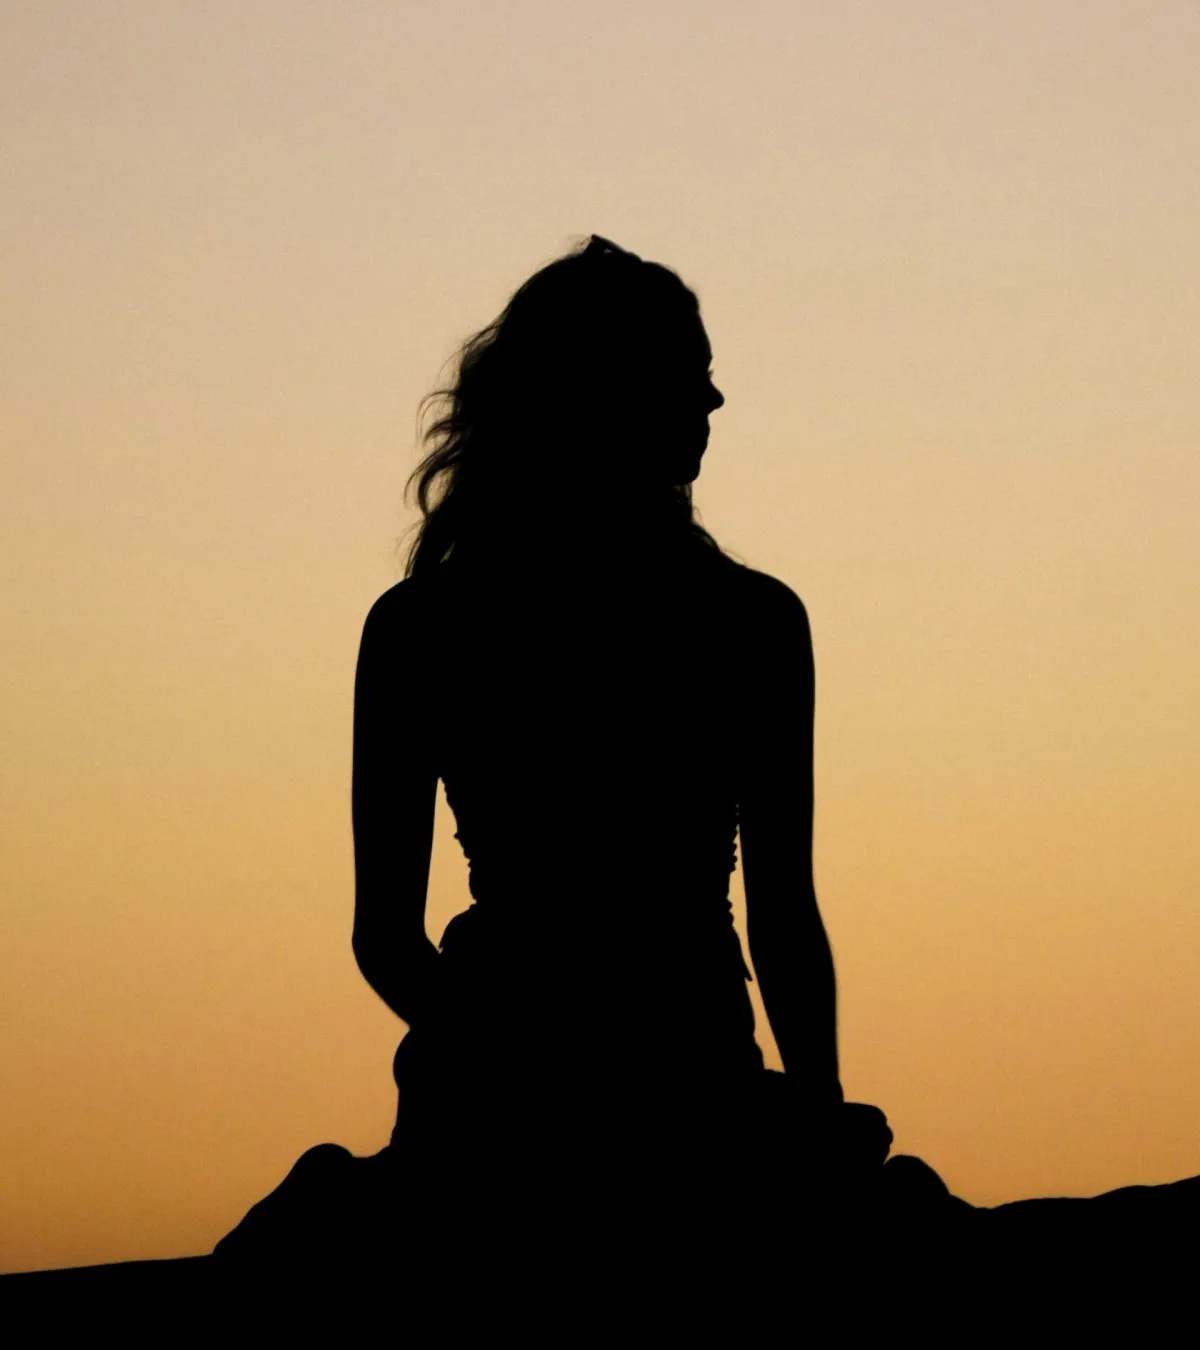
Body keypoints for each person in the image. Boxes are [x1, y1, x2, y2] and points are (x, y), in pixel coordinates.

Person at [214, 238, 1197, 1310]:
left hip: (632, 1078)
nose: (716, 399)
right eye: (688, 374)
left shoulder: (445, 625)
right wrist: (571, 1075)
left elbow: (397, 942)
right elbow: (774, 916)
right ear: (605, 396)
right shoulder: (731, 622)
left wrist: (810, 1112)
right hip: (559, 1091)